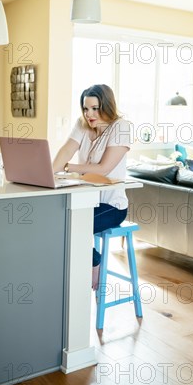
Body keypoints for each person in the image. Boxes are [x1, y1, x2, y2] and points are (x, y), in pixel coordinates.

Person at [53, 84, 132, 290]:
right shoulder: (82, 124)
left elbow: (104, 169)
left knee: (70, 229)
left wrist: (69, 167)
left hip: (112, 206)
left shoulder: (120, 127)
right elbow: (66, 150)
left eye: (95, 108)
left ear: (106, 106)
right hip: (85, 201)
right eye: (86, 108)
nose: (89, 114)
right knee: (55, 224)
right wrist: (50, 172)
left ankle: (93, 261)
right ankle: (75, 273)